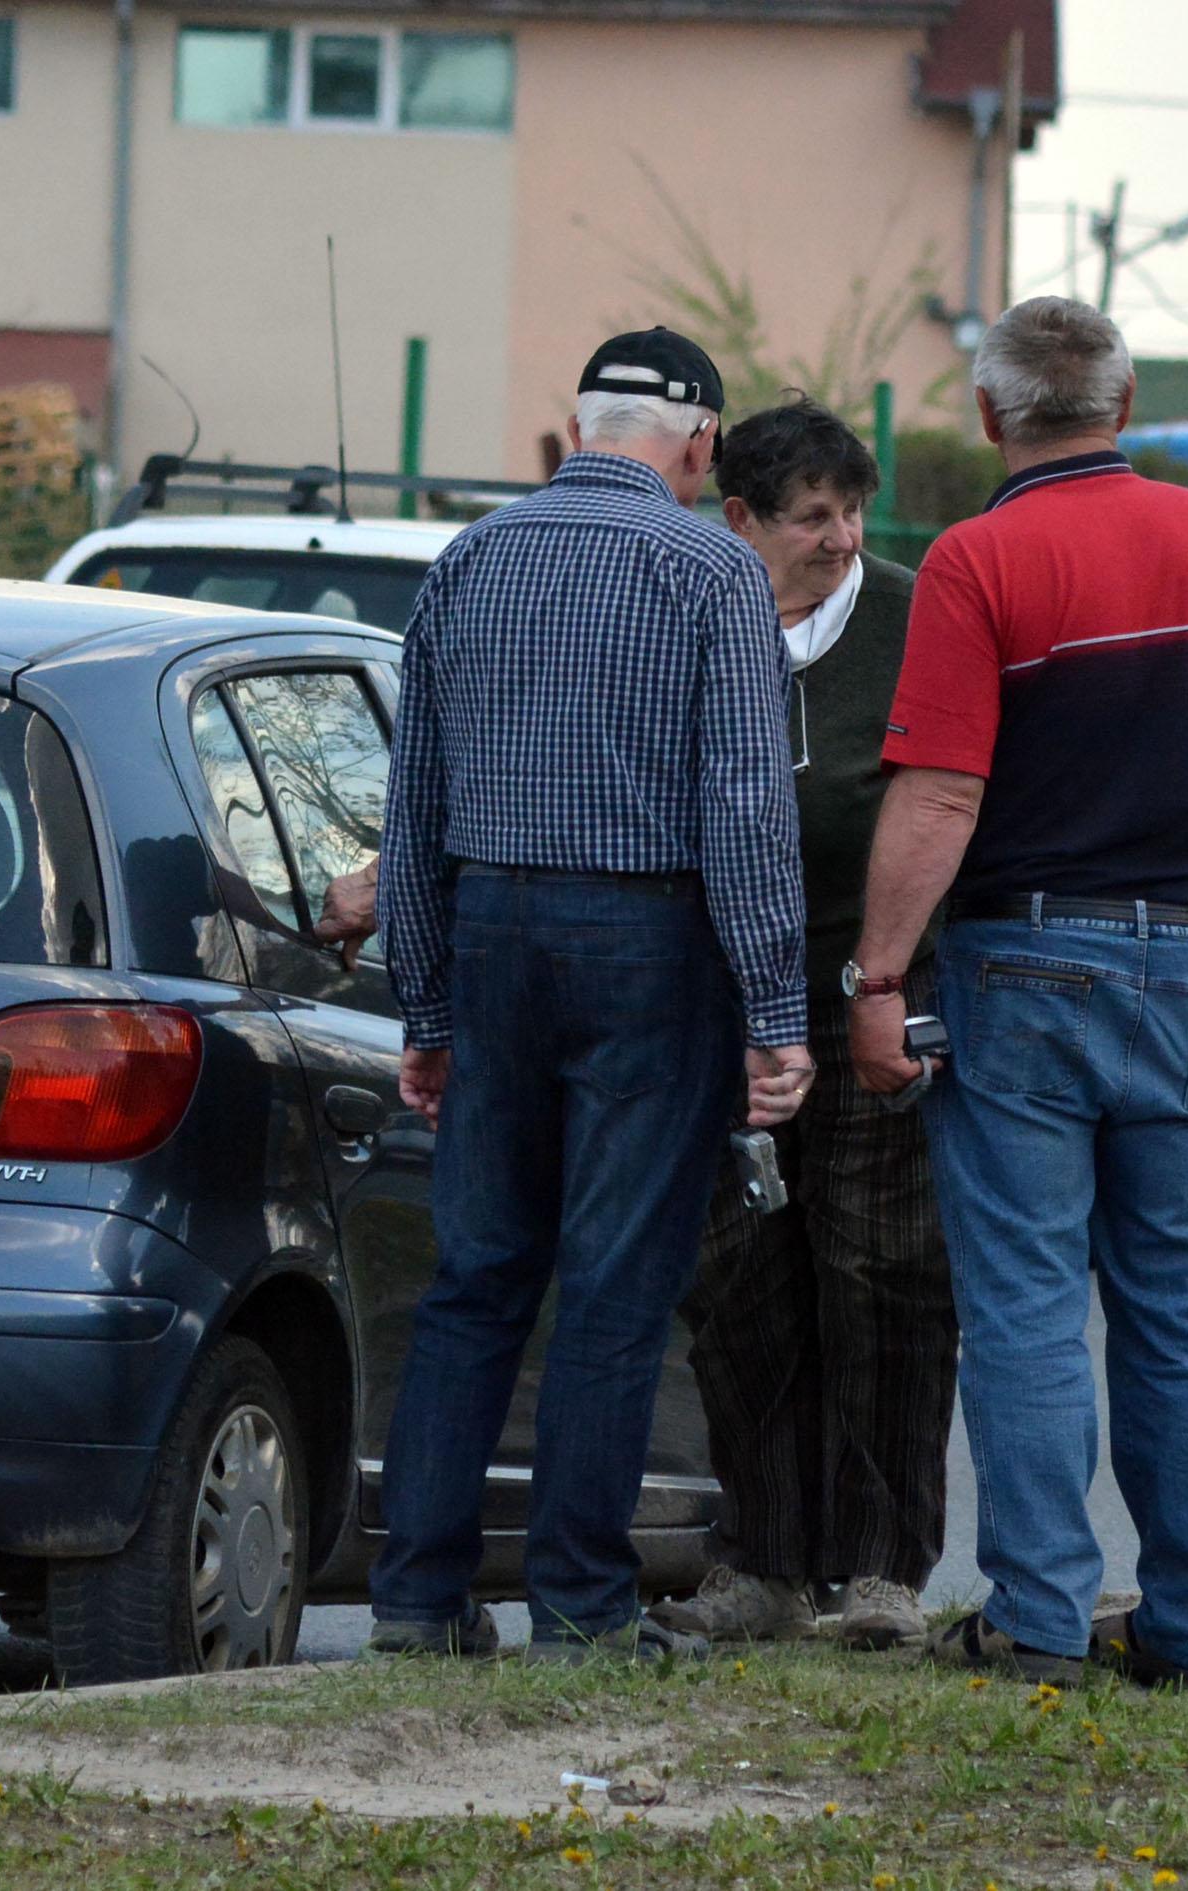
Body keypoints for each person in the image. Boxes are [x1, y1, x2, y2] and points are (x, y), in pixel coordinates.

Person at [846, 297, 1188, 1686]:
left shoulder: (975, 558)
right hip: (1183, 960)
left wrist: (878, 974)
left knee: (1025, 1304)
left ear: (995, 417)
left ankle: (1041, 1619)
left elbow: (941, 792)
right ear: (1122, 405)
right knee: (1185, 1304)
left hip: (1022, 961)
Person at [368, 327, 813, 1664]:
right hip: (648, 938)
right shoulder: (710, 568)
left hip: (494, 927)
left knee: (477, 1276)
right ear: (696, 444)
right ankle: (578, 1606)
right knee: (615, 1290)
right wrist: (775, 1010)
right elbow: (742, 805)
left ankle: (417, 1597)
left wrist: (426, 1006)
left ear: (576, 430)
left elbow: (415, 806)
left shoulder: (471, 558)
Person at [645, 398, 957, 1653]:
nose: (841, 537)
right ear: (740, 520)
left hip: (869, 992)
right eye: (811, 516)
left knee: (884, 1277)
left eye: (852, 512)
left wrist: (897, 980)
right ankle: (763, 1561)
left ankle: (882, 1572)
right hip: (719, 1003)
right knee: (740, 1284)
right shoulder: (689, 617)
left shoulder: (914, 614)